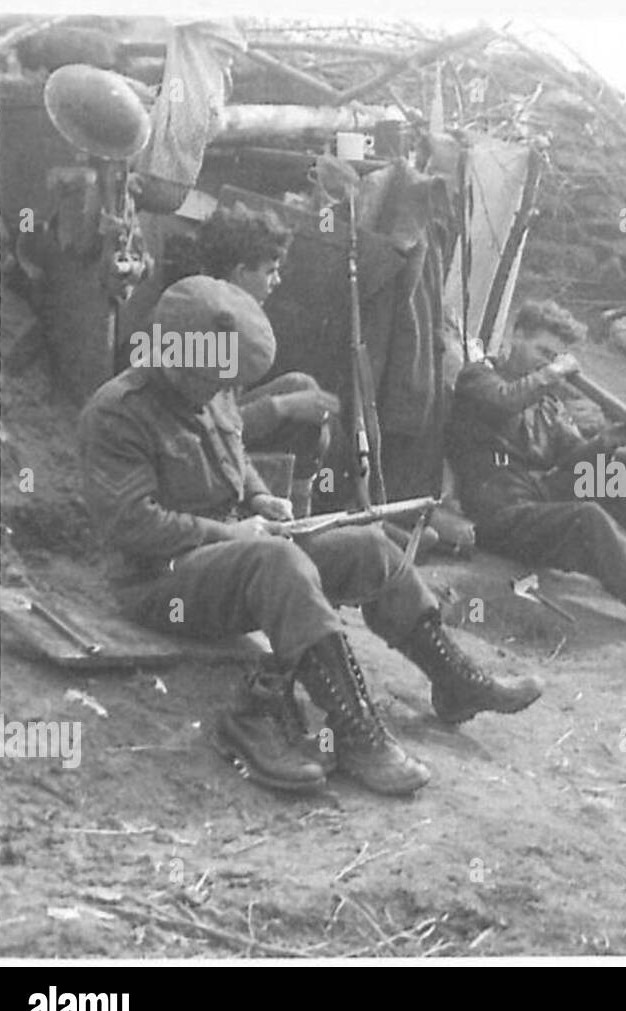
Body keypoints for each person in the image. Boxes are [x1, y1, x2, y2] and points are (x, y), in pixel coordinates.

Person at [79, 276, 543, 797]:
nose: (216, 392)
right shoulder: (118, 413)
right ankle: (355, 733)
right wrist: (229, 533)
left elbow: (231, 453)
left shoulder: (211, 381)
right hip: (159, 583)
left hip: (236, 555)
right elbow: (132, 523)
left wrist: (257, 498)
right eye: (206, 381)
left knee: (369, 546)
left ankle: (453, 681)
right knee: (279, 563)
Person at [447, 300, 626, 638]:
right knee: (586, 517)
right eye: (542, 350)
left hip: (536, 503)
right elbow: (505, 400)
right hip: (496, 516)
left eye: (553, 356)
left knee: (624, 470)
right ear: (517, 335)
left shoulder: (544, 403)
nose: (546, 361)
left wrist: (608, 441)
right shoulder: (479, 377)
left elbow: (572, 457)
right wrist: (553, 374)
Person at [197, 202, 338, 518]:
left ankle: (301, 511)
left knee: (301, 387)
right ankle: (297, 521)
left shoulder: (231, 309)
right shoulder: (208, 322)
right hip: (196, 445)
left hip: (218, 427)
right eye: (269, 271)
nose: (277, 282)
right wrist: (282, 407)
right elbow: (208, 429)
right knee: (299, 407)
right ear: (240, 271)